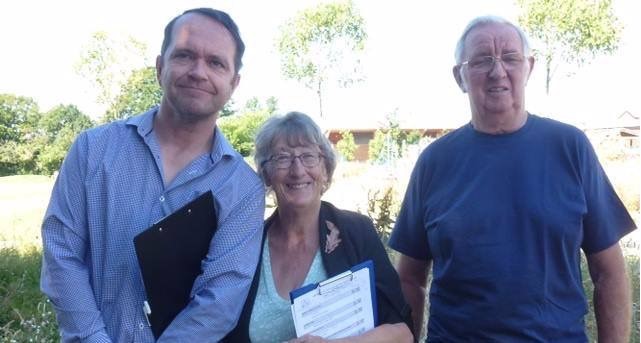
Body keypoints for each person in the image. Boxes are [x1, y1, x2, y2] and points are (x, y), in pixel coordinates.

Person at [389, 15, 637, 342]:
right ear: (459, 76)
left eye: (510, 58)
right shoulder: (434, 162)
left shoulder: (570, 147)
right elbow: (409, 278)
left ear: (529, 68)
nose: (497, 71)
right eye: (481, 60)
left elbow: (610, 273)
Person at [40, 8, 265, 342]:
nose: (198, 72)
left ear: (233, 84)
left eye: (216, 62)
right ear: (160, 68)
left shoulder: (242, 189)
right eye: (185, 55)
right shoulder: (92, 150)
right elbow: (62, 255)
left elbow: (220, 300)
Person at [223, 111, 414, 342]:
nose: (297, 170)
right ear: (266, 174)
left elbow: (402, 333)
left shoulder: (356, 232)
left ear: (325, 169)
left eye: (308, 156)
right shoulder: (247, 246)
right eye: (282, 158)